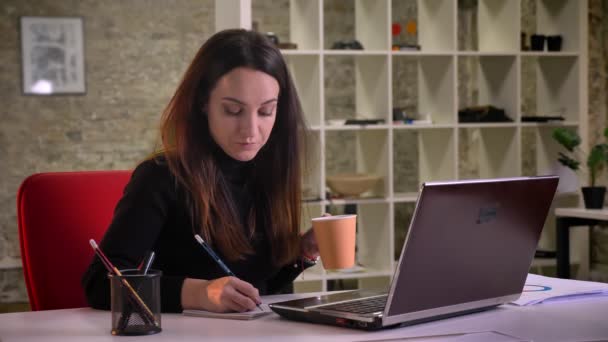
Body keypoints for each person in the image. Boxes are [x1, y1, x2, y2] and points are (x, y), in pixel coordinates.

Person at [82, 29, 320, 314]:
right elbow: (99, 284)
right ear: (203, 103)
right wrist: (199, 293)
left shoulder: (267, 172)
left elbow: (259, 289)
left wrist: (302, 252)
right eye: (233, 111)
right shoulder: (161, 177)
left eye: (266, 111)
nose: (251, 130)